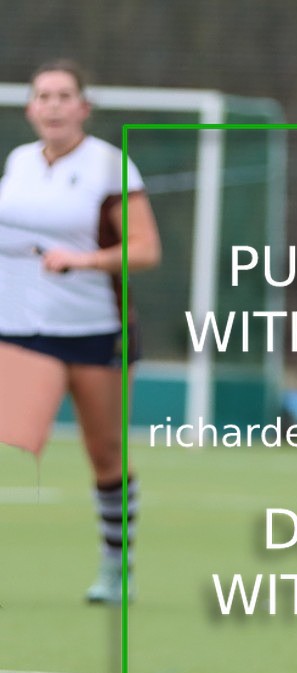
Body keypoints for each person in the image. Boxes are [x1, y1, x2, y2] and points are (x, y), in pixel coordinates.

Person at [0, 60, 161, 603]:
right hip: (22, 329)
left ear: (83, 107)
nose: (53, 105)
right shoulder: (19, 163)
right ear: (30, 108)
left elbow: (145, 250)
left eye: (64, 95)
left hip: (96, 332)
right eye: (43, 96)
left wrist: (84, 261)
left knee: (105, 453)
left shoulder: (110, 167)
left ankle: (117, 567)